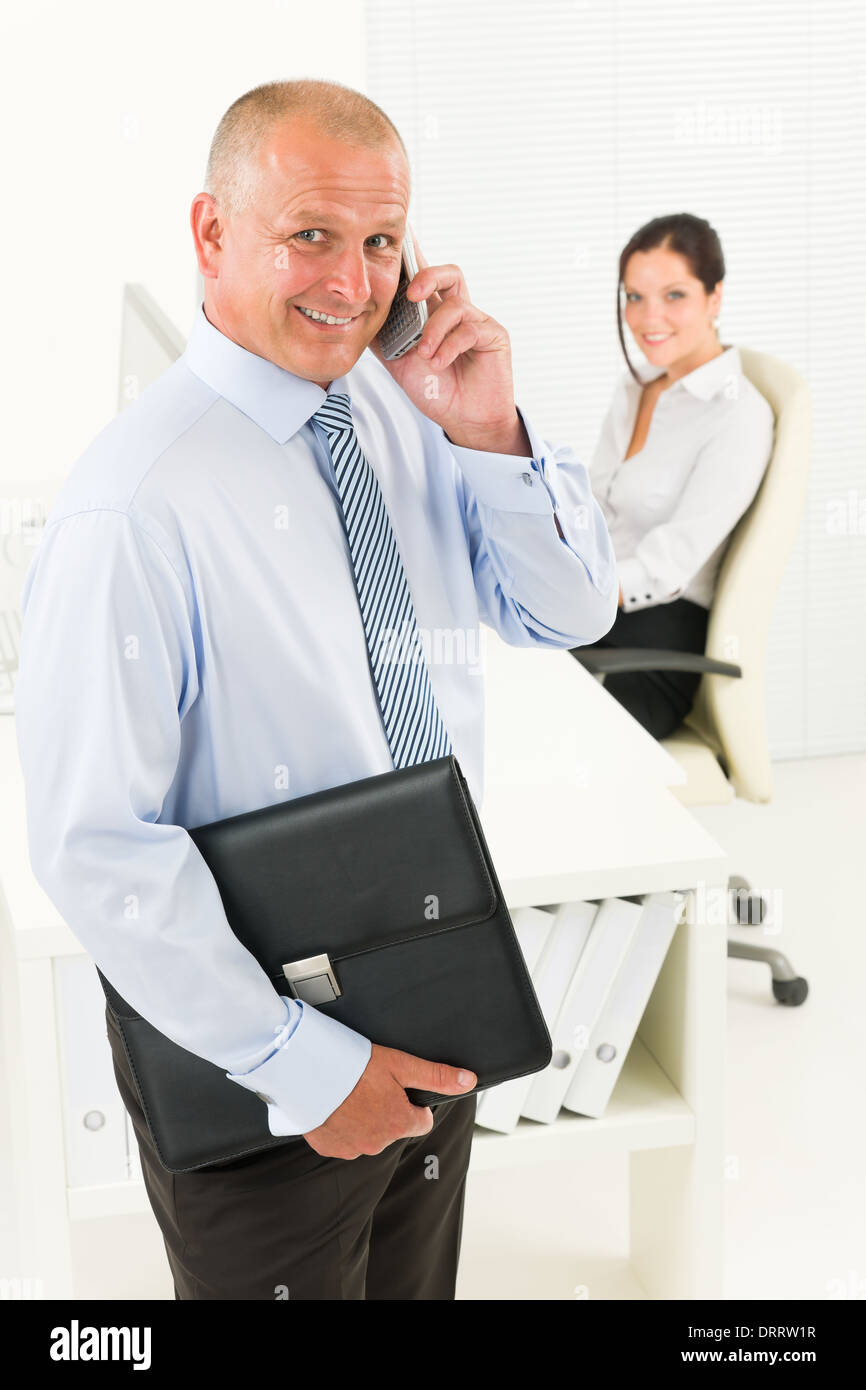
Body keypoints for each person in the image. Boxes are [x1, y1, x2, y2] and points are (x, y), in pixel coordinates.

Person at [13, 78, 618, 1300]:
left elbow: (568, 610)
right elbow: (96, 848)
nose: (353, 284)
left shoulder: (406, 416)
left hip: (430, 984)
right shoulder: (131, 507)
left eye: (381, 242)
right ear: (211, 233)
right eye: (311, 236)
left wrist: (489, 432)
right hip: (262, 1048)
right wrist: (302, 1062)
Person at [574, 213, 775, 739]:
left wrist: (570, 591)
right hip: (595, 614)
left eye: (674, 295)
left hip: (649, 646)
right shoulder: (635, 385)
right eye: (634, 297)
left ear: (715, 297)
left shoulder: (738, 416)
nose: (647, 317)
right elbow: (594, 504)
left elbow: (668, 570)